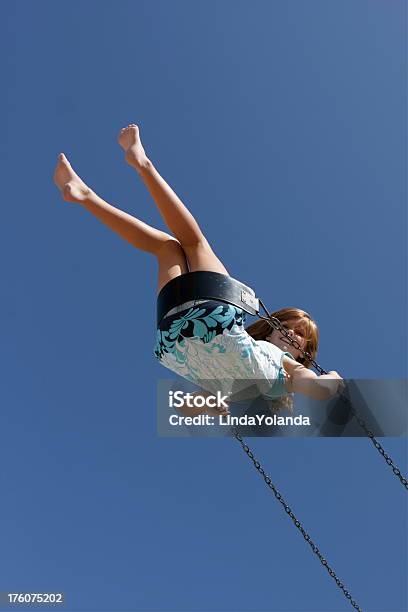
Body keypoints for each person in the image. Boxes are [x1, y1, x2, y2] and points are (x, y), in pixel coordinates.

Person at [53, 124, 343, 416]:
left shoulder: (284, 366)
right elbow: (184, 409)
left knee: (194, 244)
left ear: (304, 355)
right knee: (166, 247)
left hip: (194, 329)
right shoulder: (246, 372)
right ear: (270, 330)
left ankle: (142, 165)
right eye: (289, 325)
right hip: (171, 345)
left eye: (301, 335)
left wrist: (327, 381)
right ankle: (85, 196)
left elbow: (312, 385)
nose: (292, 332)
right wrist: (207, 404)